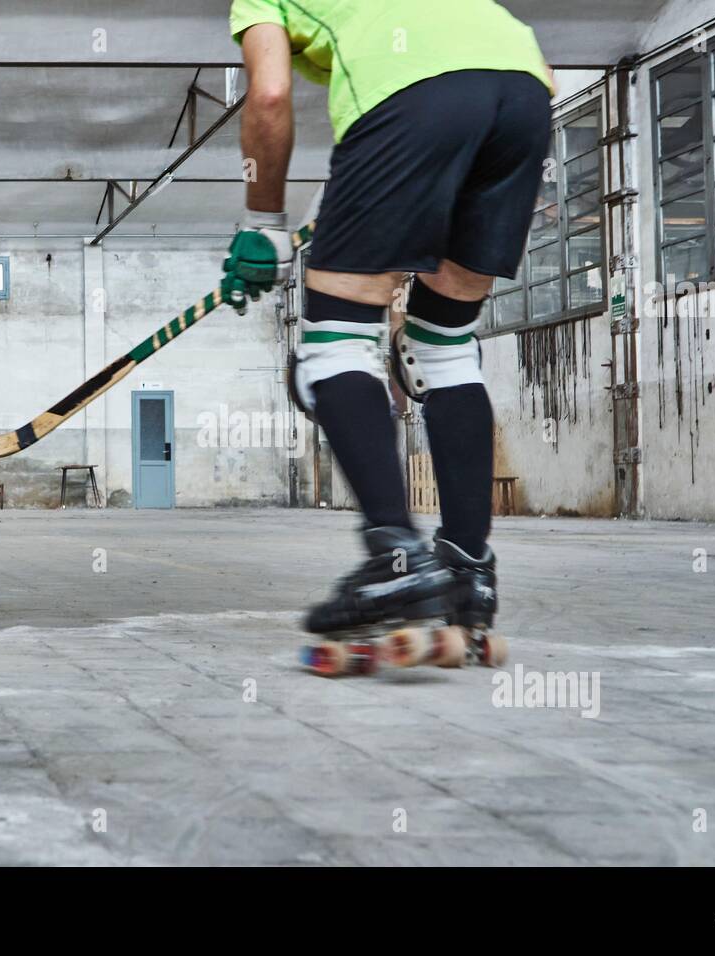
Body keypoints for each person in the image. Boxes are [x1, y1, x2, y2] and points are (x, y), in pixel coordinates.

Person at [221, 1, 553, 637]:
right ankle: (467, 568)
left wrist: (263, 223)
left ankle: (396, 560)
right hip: (522, 97)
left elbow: (267, 94)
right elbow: (538, 70)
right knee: (445, 345)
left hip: (409, 104)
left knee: (334, 343)